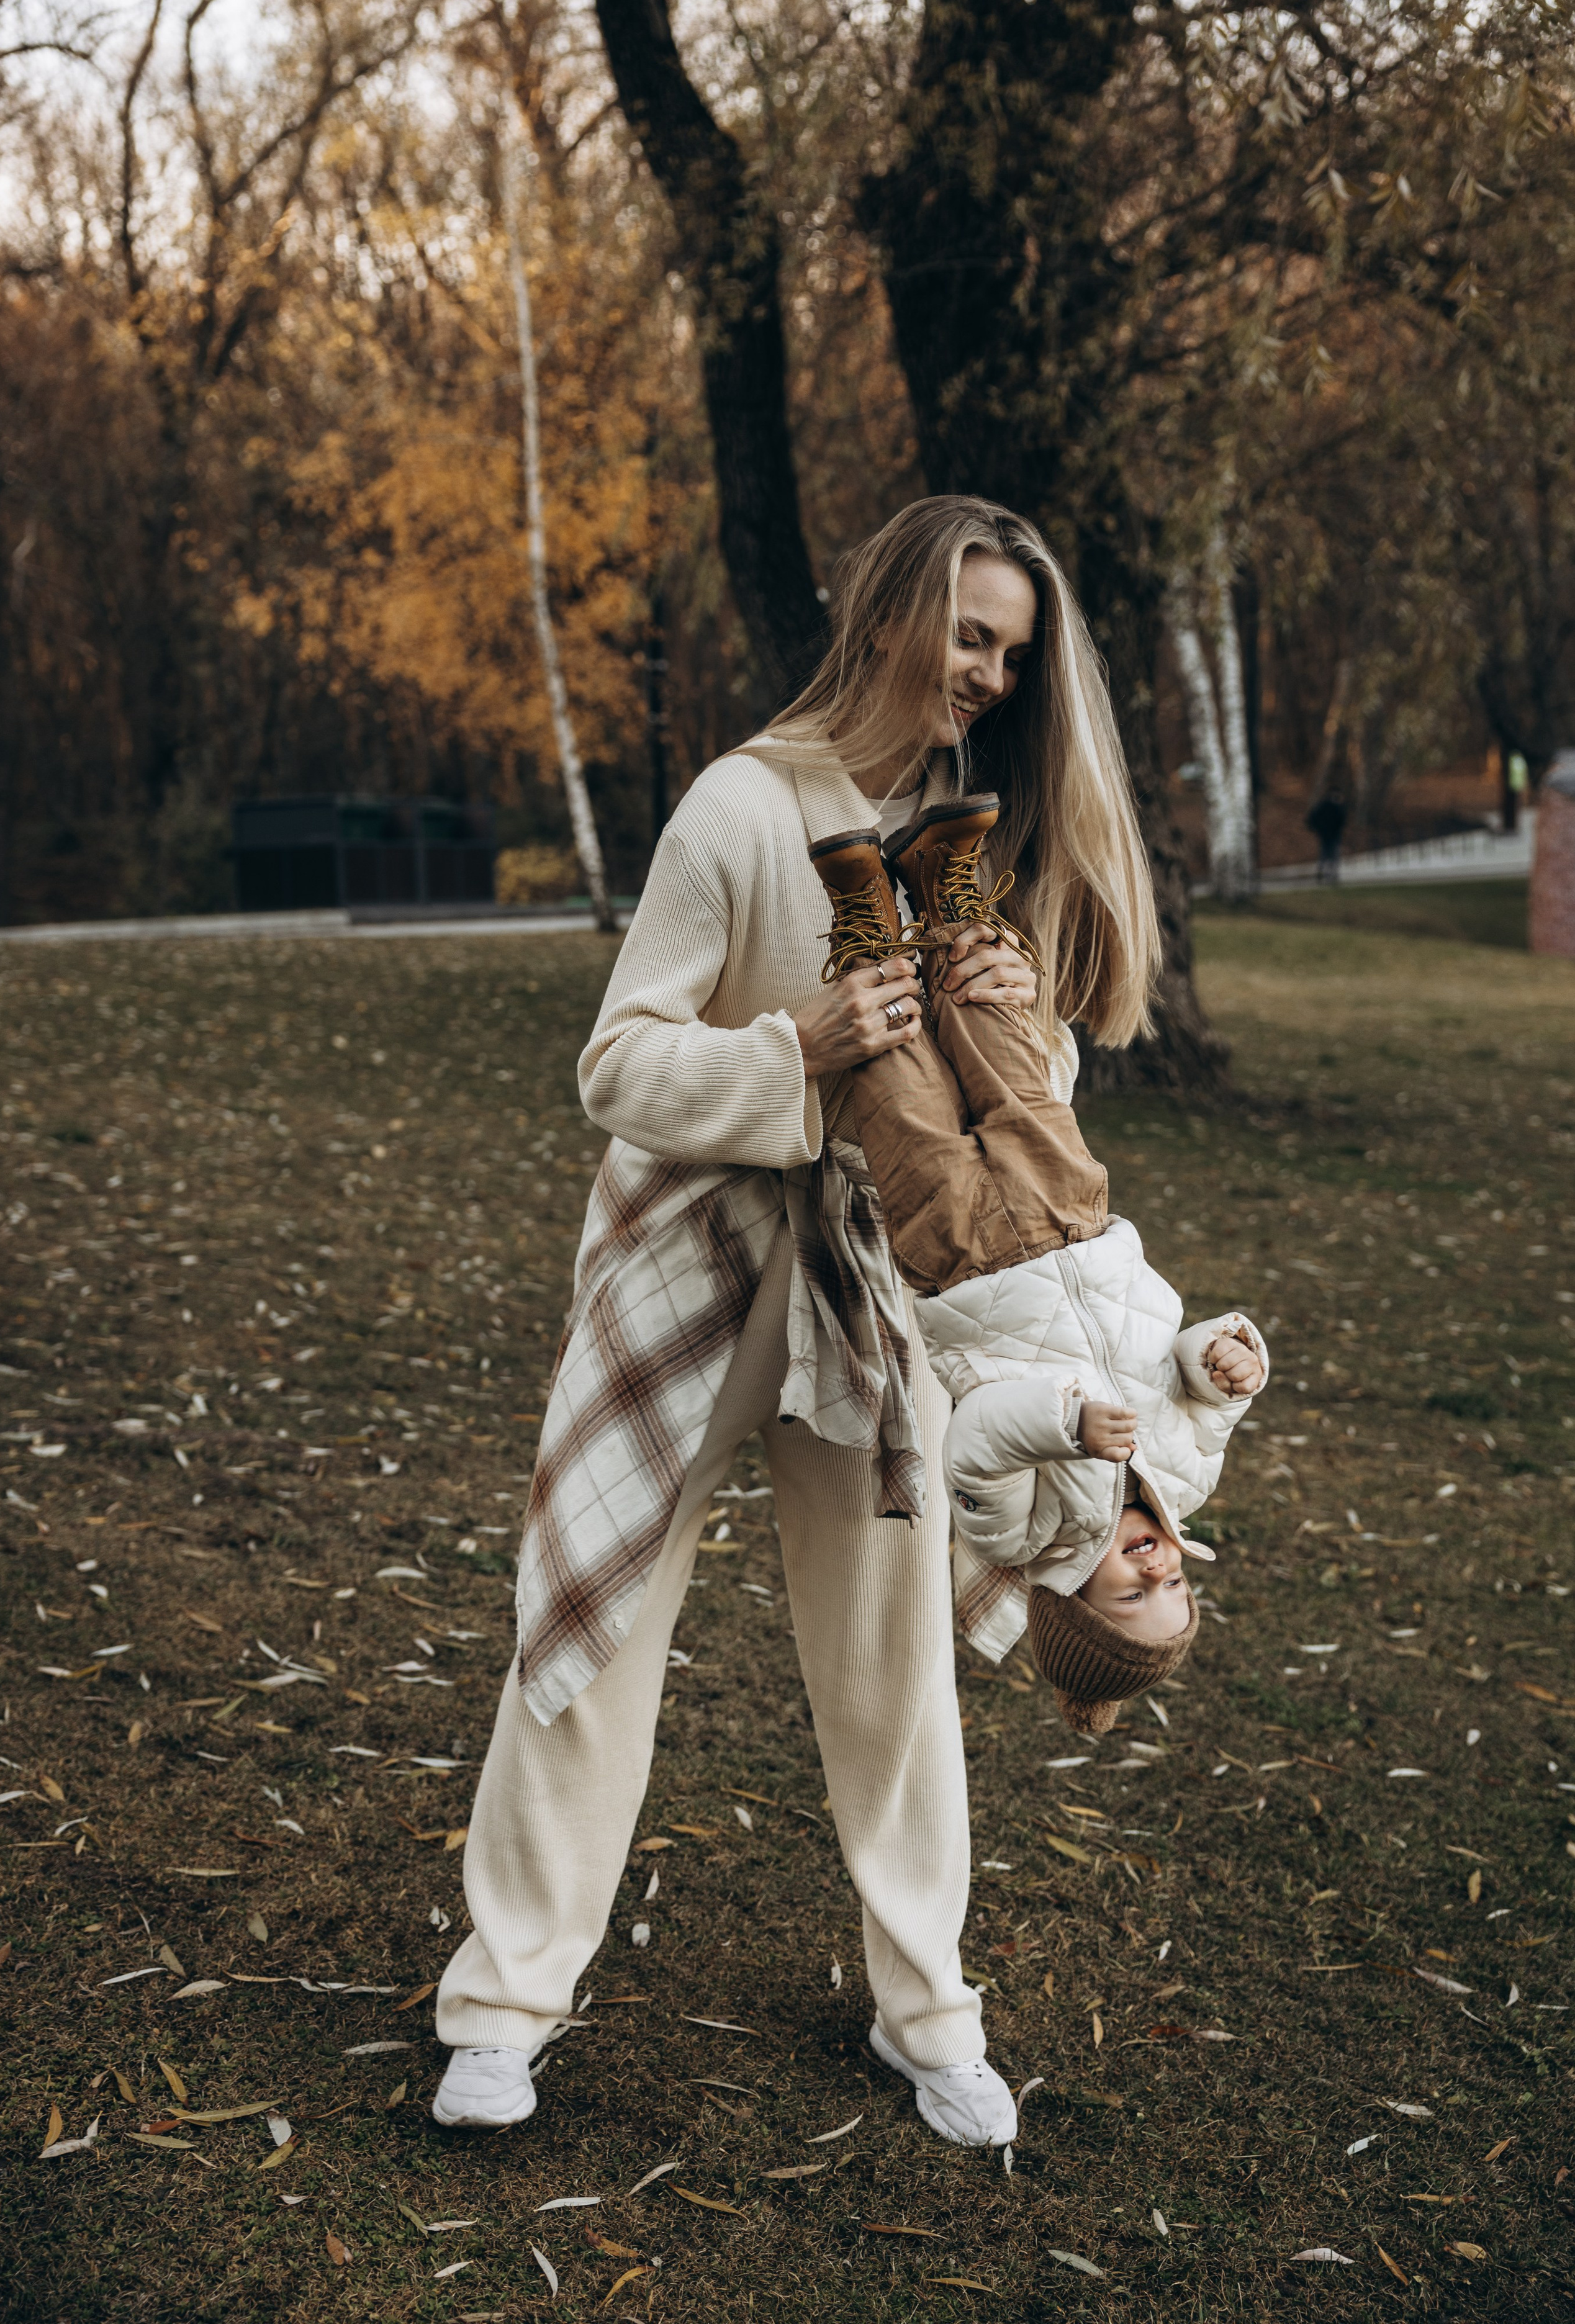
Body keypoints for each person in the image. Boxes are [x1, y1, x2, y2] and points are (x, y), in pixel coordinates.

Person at [430, 495, 1161, 2151]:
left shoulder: (977, 834)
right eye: (970, 636)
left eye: (1013, 652)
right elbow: (613, 1065)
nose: (987, 674)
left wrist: (1013, 1038)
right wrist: (799, 1049)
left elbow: (1031, 1117)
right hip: (687, 1263)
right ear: (898, 615)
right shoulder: (743, 809)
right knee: (595, 1631)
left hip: (868, 1283)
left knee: (892, 1654)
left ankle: (932, 2014)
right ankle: (501, 2005)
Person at [807, 797, 1267, 1731]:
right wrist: (1226, 1364)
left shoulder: (1020, 1534)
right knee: (1006, 1054)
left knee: (903, 1081)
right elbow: (1193, 1388)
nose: (1157, 1565)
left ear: (1066, 1600)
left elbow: (974, 1438)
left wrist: (1062, 1425)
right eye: (1175, 1581)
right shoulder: (1186, 1480)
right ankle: (949, 892)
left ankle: (861, 917)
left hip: (959, 1254)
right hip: (1080, 1223)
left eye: (1133, 1594)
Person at [1306, 787, 1347, 883]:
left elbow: (1312, 817)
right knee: (1333, 855)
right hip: (1333, 835)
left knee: (1324, 854)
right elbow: (1341, 821)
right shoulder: (1337, 807)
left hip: (1325, 835)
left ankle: (1322, 871)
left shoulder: (1322, 806)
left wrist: (1317, 829)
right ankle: (1331, 873)